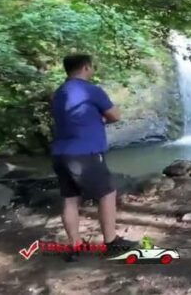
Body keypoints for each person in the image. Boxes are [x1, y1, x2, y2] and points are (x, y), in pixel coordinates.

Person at [50, 54, 136, 261]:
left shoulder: (58, 93)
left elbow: (69, 120)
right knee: (107, 193)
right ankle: (111, 243)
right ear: (86, 67)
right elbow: (115, 115)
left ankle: (75, 246)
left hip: (60, 153)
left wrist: (93, 119)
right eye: (92, 67)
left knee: (70, 199)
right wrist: (100, 119)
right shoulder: (90, 90)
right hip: (84, 153)